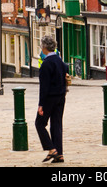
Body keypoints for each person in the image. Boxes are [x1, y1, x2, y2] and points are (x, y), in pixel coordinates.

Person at [35, 36, 69, 164]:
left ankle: (51, 148)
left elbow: (44, 87)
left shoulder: (46, 64)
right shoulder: (61, 62)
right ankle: (59, 154)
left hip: (49, 98)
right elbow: (66, 74)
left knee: (39, 123)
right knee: (56, 125)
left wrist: (41, 105)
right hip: (61, 97)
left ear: (44, 48)